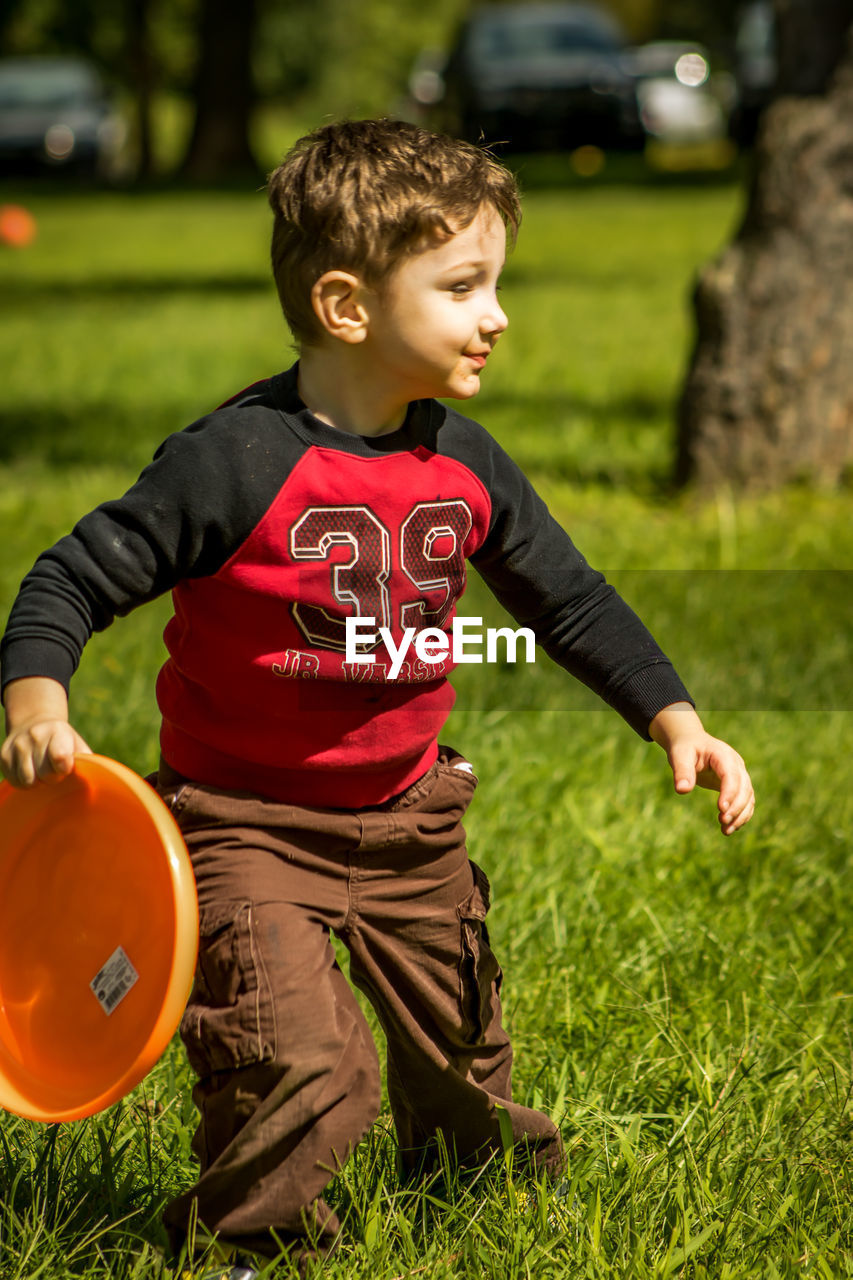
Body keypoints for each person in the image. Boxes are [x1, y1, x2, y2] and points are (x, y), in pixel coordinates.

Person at [0, 119, 754, 1278]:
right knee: (299, 1056)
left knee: (461, 1051)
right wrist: (38, 697)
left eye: (494, 281)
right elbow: (72, 573)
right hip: (242, 825)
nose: (496, 314)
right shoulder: (231, 463)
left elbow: (571, 599)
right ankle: (249, 1248)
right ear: (349, 307)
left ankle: (479, 1194)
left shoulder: (466, 461)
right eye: (462, 286)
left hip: (413, 822)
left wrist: (676, 716)